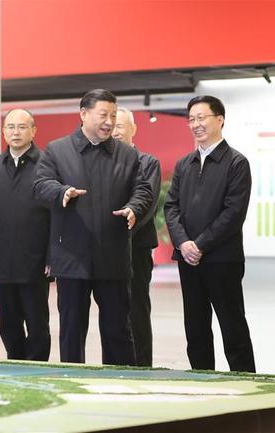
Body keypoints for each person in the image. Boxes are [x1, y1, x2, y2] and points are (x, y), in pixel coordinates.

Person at [33, 89, 153, 366]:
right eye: (103, 115)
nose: (109, 122)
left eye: (113, 115)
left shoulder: (126, 154)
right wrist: (61, 191)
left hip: (113, 257)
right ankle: (73, 381)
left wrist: (134, 207)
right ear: (83, 114)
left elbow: (143, 189)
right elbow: (40, 185)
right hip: (72, 257)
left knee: (118, 331)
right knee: (72, 330)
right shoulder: (57, 150)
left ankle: (121, 382)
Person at [164, 95, 255, 372]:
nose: (195, 124)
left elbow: (233, 213)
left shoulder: (237, 163)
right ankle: (202, 378)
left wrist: (199, 245)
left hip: (222, 259)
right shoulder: (184, 164)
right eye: (191, 119)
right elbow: (171, 207)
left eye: (201, 118)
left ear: (220, 120)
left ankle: (245, 381)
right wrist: (183, 243)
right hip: (189, 261)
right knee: (195, 327)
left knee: (232, 325)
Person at [0, 109, 51, 361]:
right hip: (1, 258)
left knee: (37, 321)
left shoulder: (48, 165)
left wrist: (52, 256)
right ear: (3, 131)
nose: (15, 132)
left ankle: (37, 367)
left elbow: (55, 215)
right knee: (7, 322)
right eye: (10, 127)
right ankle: (16, 361)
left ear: (33, 130)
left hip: (36, 259)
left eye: (22, 127)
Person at [112, 107, 161, 367]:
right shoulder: (103, 161)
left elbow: (147, 205)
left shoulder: (147, 162)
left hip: (136, 249)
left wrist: (118, 233)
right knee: (113, 312)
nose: (115, 130)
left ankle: (142, 366)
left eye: (120, 125)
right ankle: (117, 364)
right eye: (111, 124)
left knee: (137, 309)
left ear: (133, 129)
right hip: (107, 249)